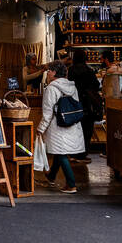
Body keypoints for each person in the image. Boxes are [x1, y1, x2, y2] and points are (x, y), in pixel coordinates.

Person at [37, 60, 85, 194]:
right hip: (71, 123)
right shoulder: (72, 87)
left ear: (53, 73)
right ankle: (51, 176)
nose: (47, 75)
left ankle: (71, 184)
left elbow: (47, 113)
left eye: (48, 72)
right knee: (60, 151)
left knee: (62, 154)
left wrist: (40, 129)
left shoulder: (52, 88)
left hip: (58, 126)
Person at [68, 49, 101, 162]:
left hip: (73, 103)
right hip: (87, 104)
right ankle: (82, 155)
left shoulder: (71, 70)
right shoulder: (89, 71)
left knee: (74, 129)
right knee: (87, 130)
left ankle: (73, 154)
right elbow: (96, 85)